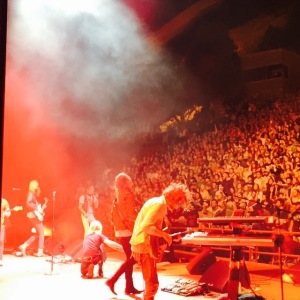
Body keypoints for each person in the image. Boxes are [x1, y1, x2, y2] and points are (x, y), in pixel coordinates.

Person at [130, 182, 190, 300]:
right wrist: (165, 236)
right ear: (174, 198)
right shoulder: (159, 205)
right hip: (143, 247)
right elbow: (146, 227)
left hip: (142, 246)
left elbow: (151, 228)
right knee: (152, 286)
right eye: (179, 203)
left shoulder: (157, 202)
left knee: (151, 285)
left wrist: (160, 238)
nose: (178, 207)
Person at [105, 172, 142, 295]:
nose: (131, 182)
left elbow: (113, 215)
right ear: (125, 182)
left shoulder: (117, 196)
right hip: (128, 229)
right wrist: (139, 221)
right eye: (129, 180)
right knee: (134, 257)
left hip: (120, 230)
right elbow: (130, 214)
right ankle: (113, 280)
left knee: (130, 258)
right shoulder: (128, 194)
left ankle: (129, 286)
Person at [19, 180, 48, 257]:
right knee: (42, 232)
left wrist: (41, 208)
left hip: (32, 215)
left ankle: (24, 246)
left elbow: (33, 205)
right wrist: (37, 209)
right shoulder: (30, 193)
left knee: (38, 233)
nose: (38, 186)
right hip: (33, 215)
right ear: (33, 185)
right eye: (37, 185)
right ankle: (40, 251)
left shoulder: (31, 194)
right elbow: (27, 203)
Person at [1, 198, 11, 266]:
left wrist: (6, 213)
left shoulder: (4, 201)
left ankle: (0, 258)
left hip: (1, 225)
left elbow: (8, 213)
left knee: (1, 241)